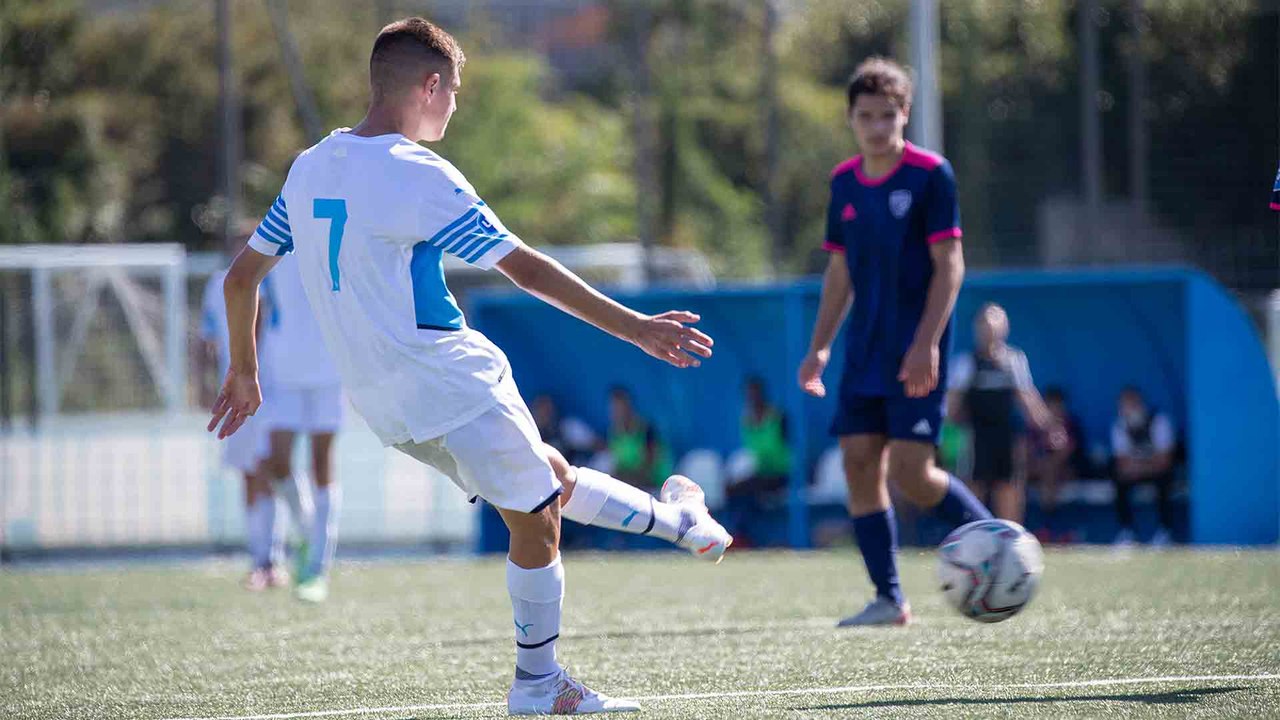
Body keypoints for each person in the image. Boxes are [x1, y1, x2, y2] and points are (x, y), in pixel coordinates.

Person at [208, 18, 730, 715]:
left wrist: (245, 370)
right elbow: (528, 271)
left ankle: (680, 523)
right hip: (451, 379)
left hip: (385, 407)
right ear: (429, 85)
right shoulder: (415, 172)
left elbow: (240, 280)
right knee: (538, 514)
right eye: (452, 90)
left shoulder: (310, 167)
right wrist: (634, 327)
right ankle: (539, 687)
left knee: (545, 481)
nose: (454, 104)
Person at [797, 57, 993, 628]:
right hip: (863, 352)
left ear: (905, 114)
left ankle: (999, 544)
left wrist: (928, 342)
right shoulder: (844, 183)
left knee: (912, 471)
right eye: (866, 116)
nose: (878, 127)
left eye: (888, 115)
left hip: (915, 351)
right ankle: (888, 598)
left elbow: (949, 265)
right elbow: (839, 272)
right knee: (859, 462)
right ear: (852, 119)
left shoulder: (932, 175)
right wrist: (820, 346)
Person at [257, 252, 344, 603]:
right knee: (276, 463)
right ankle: (309, 530)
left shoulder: (332, 239)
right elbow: (259, 307)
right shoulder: (273, 242)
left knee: (321, 464)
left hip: (329, 371)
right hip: (283, 375)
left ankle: (317, 569)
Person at [199, 228, 280, 591]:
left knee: (273, 469)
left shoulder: (277, 281)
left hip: (276, 391)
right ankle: (259, 558)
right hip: (237, 394)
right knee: (249, 471)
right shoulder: (221, 284)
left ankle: (275, 558)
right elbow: (207, 339)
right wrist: (202, 383)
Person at [948, 303, 1062, 524]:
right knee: (974, 492)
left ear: (1005, 327)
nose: (989, 328)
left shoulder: (1014, 360)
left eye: (995, 321)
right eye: (983, 323)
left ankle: (1011, 542)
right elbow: (951, 406)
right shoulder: (965, 363)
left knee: (1010, 490)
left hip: (1007, 438)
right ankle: (973, 544)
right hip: (975, 439)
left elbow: (1028, 399)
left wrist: (1050, 428)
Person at [724, 377, 791, 545]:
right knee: (734, 489)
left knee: (745, 487)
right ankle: (740, 534)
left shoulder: (778, 417)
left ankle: (741, 537)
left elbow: (789, 450)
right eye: (749, 394)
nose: (752, 398)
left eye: (755, 393)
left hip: (782, 474)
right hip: (759, 475)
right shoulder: (747, 421)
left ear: (762, 394)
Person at [1111, 386, 1178, 547]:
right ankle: (1127, 532)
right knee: (1118, 480)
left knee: (1164, 481)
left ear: (1140, 404)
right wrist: (1142, 466)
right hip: (1138, 472)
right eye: (1123, 406)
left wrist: (1139, 466)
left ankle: (1165, 532)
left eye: (1131, 405)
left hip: (1157, 472)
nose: (1127, 410)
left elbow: (1165, 461)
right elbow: (1121, 463)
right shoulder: (1119, 426)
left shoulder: (1159, 421)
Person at [1026, 386, 1084, 540]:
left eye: (1058, 405)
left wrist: (1046, 466)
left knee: (1050, 470)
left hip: (1068, 470)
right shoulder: (1036, 426)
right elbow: (1028, 451)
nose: (1054, 409)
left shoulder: (1071, 424)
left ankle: (1049, 527)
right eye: (1050, 405)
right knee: (1017, 475)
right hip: (1039, 470)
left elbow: (1067, 453)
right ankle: (1028, 527)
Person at [606, 385, 671, 491]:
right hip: (631, 487)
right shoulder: (614, 433)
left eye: (620, 407)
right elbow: (619, 466)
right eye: (613, 408)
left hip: (655, 488)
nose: (616, 412)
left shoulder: (647, 430)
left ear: (629, 407)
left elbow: (648, 470)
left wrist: (622, 481)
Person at [531, 394, 599, 468]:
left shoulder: (567, 427)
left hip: (570, 473)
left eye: (547, 410)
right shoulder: (530, 435)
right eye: (540, 410)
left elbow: (598, 445)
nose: (544, 414)